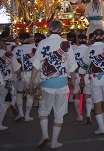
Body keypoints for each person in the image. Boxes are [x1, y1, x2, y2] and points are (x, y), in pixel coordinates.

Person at [28, 20, 77, 149]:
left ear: (49, 29)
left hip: (46, 83)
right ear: (61, 30)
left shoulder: (43, 43)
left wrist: (31, 82)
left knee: (43, 110)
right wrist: (73, 80)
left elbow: (36, 64)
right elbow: (72, 64)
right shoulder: (66, 44)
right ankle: (54, 142)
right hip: (61, 83)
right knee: (59, 113)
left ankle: (45, 135)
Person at [79, 29, 104, 135]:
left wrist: (82, 78)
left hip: (94, 78)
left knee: (97, 101)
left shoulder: (89, 49)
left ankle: (101, 127)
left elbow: (84, 65)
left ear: (93, 38)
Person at [0, 39, 22, 130]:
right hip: (5, 82)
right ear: (4, 47)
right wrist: (19, 75)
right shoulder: (9, 56)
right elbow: (17, 68)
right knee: (3, 103)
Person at [12, 32, 37, 122]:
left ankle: (21, 112)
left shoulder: (15, 50)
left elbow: (13, 63)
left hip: (19, 74)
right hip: (31, 73)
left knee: (19, 93)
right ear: (29, 39)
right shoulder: (34, 49)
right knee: (30, 94)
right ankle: (27, 115)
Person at [72, 33, 92, 123]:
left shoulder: (74, 50)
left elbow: (71, 65)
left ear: (77, 40)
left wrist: (70, 78)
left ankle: (79, 115)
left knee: (77, 95)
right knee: (88, 95)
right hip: (88, 75)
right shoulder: (90, 49)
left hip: (77, 75)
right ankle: (88, 114)